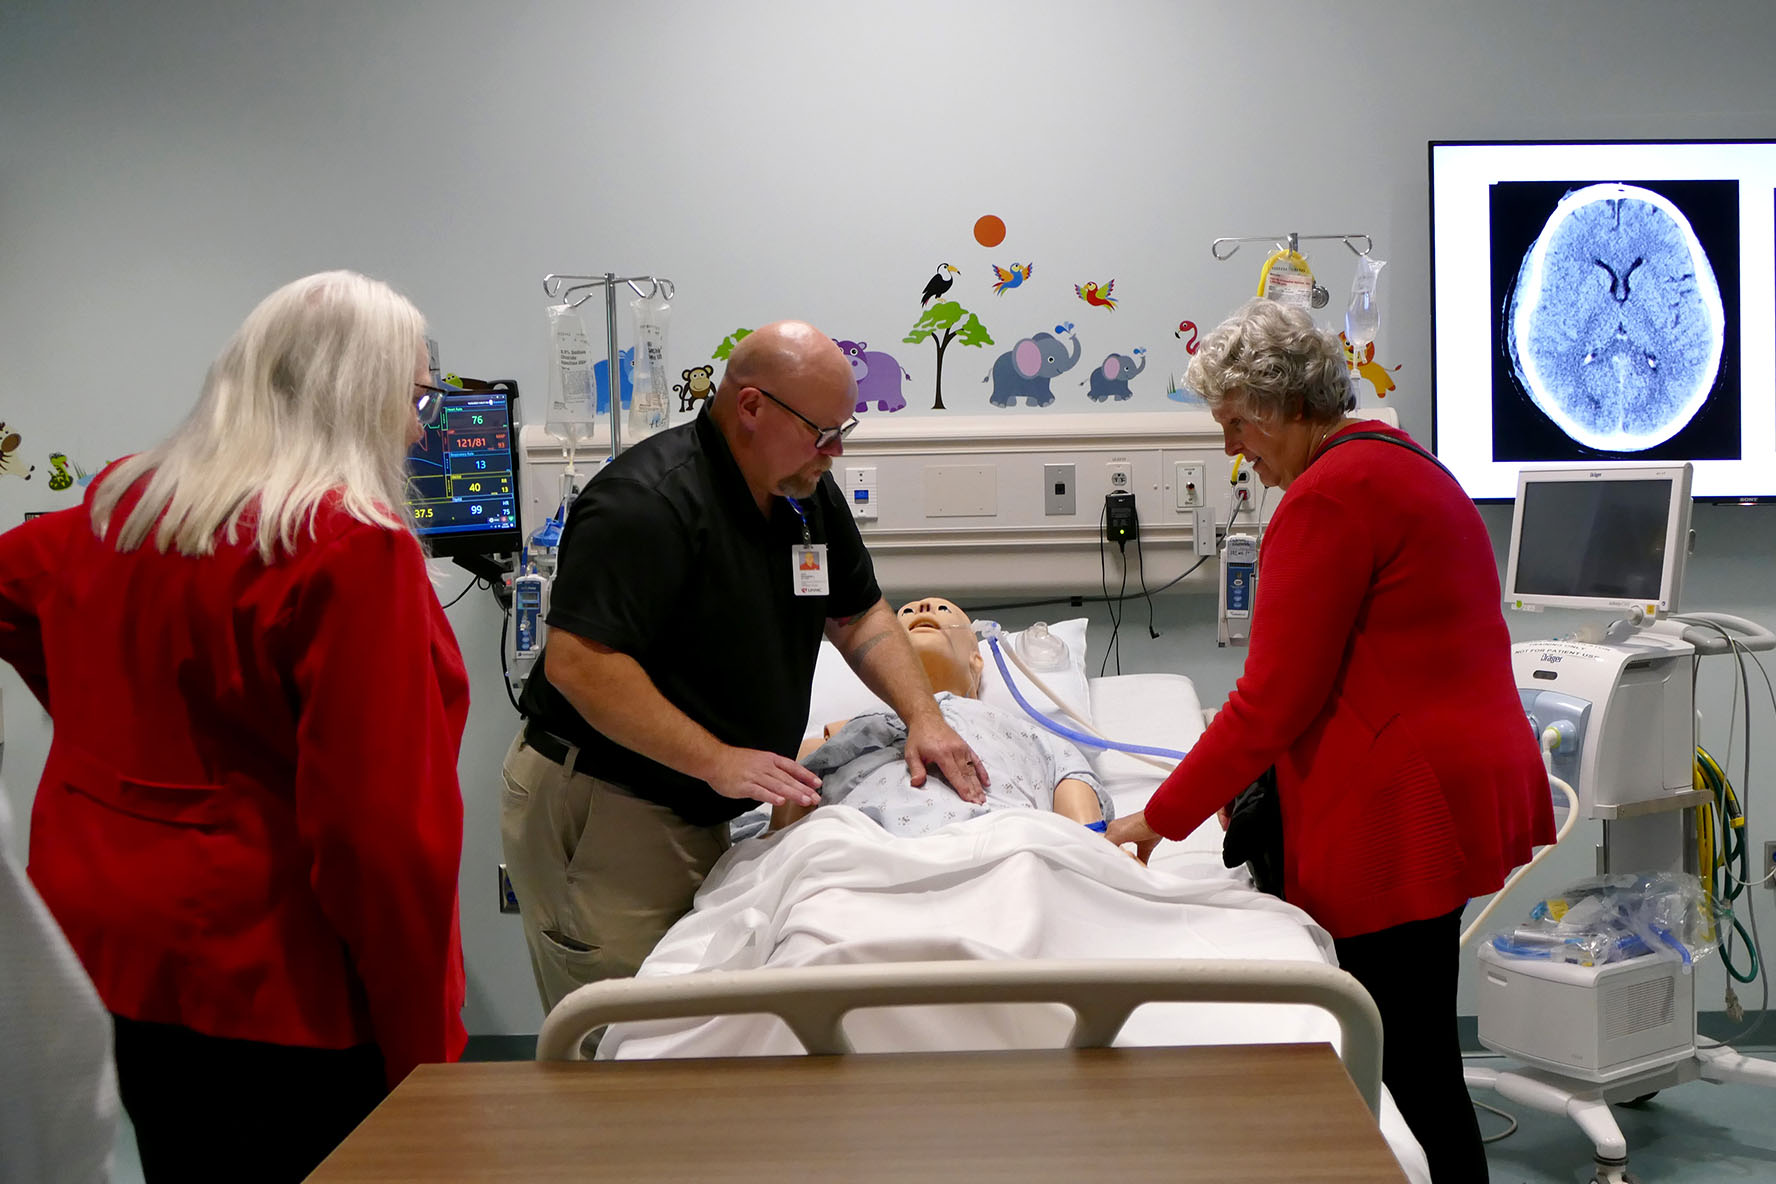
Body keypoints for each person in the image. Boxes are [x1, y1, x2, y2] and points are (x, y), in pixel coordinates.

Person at [0, 271, 470, 1183]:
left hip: (104, 946)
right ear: (357, 393)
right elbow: (381, 839)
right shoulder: (347, 547)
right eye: (418, 396)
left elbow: (13, 592)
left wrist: (108, 735)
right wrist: (425, 1044)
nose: (421, 426)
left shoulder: (120, 508)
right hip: (270, 980)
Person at [1105, 298, 1553, 1184]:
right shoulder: (1402, 463)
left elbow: (1272, 701)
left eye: (1237, 423)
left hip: (1405, 803)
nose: (1231, 447)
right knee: (1421, 1046)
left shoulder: (1329, 497)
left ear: (1284, 407)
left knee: (1406, 1065)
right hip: (1458, 775)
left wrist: (1155, 821)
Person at [502, 321, 988, 1015]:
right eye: (822, 430)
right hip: (611, 803)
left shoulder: (802, 495)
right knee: (626, 1039)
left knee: (697, 1032)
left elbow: (858, 615)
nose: (837, 449)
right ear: (752, 407)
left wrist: (925, 716)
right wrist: (717, 759)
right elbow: (582, 665)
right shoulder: (646, 504)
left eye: (843, 428)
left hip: (701, 799)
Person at [773, 596, 1111, 835]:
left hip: (999, 840)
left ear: (977, 663)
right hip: (858, 844)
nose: (923, 608)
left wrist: (1096, 845)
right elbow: (792, 803)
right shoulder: (851, 731)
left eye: (943, 608)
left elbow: (1070, 780)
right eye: (904, 612)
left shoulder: (1024, 730)